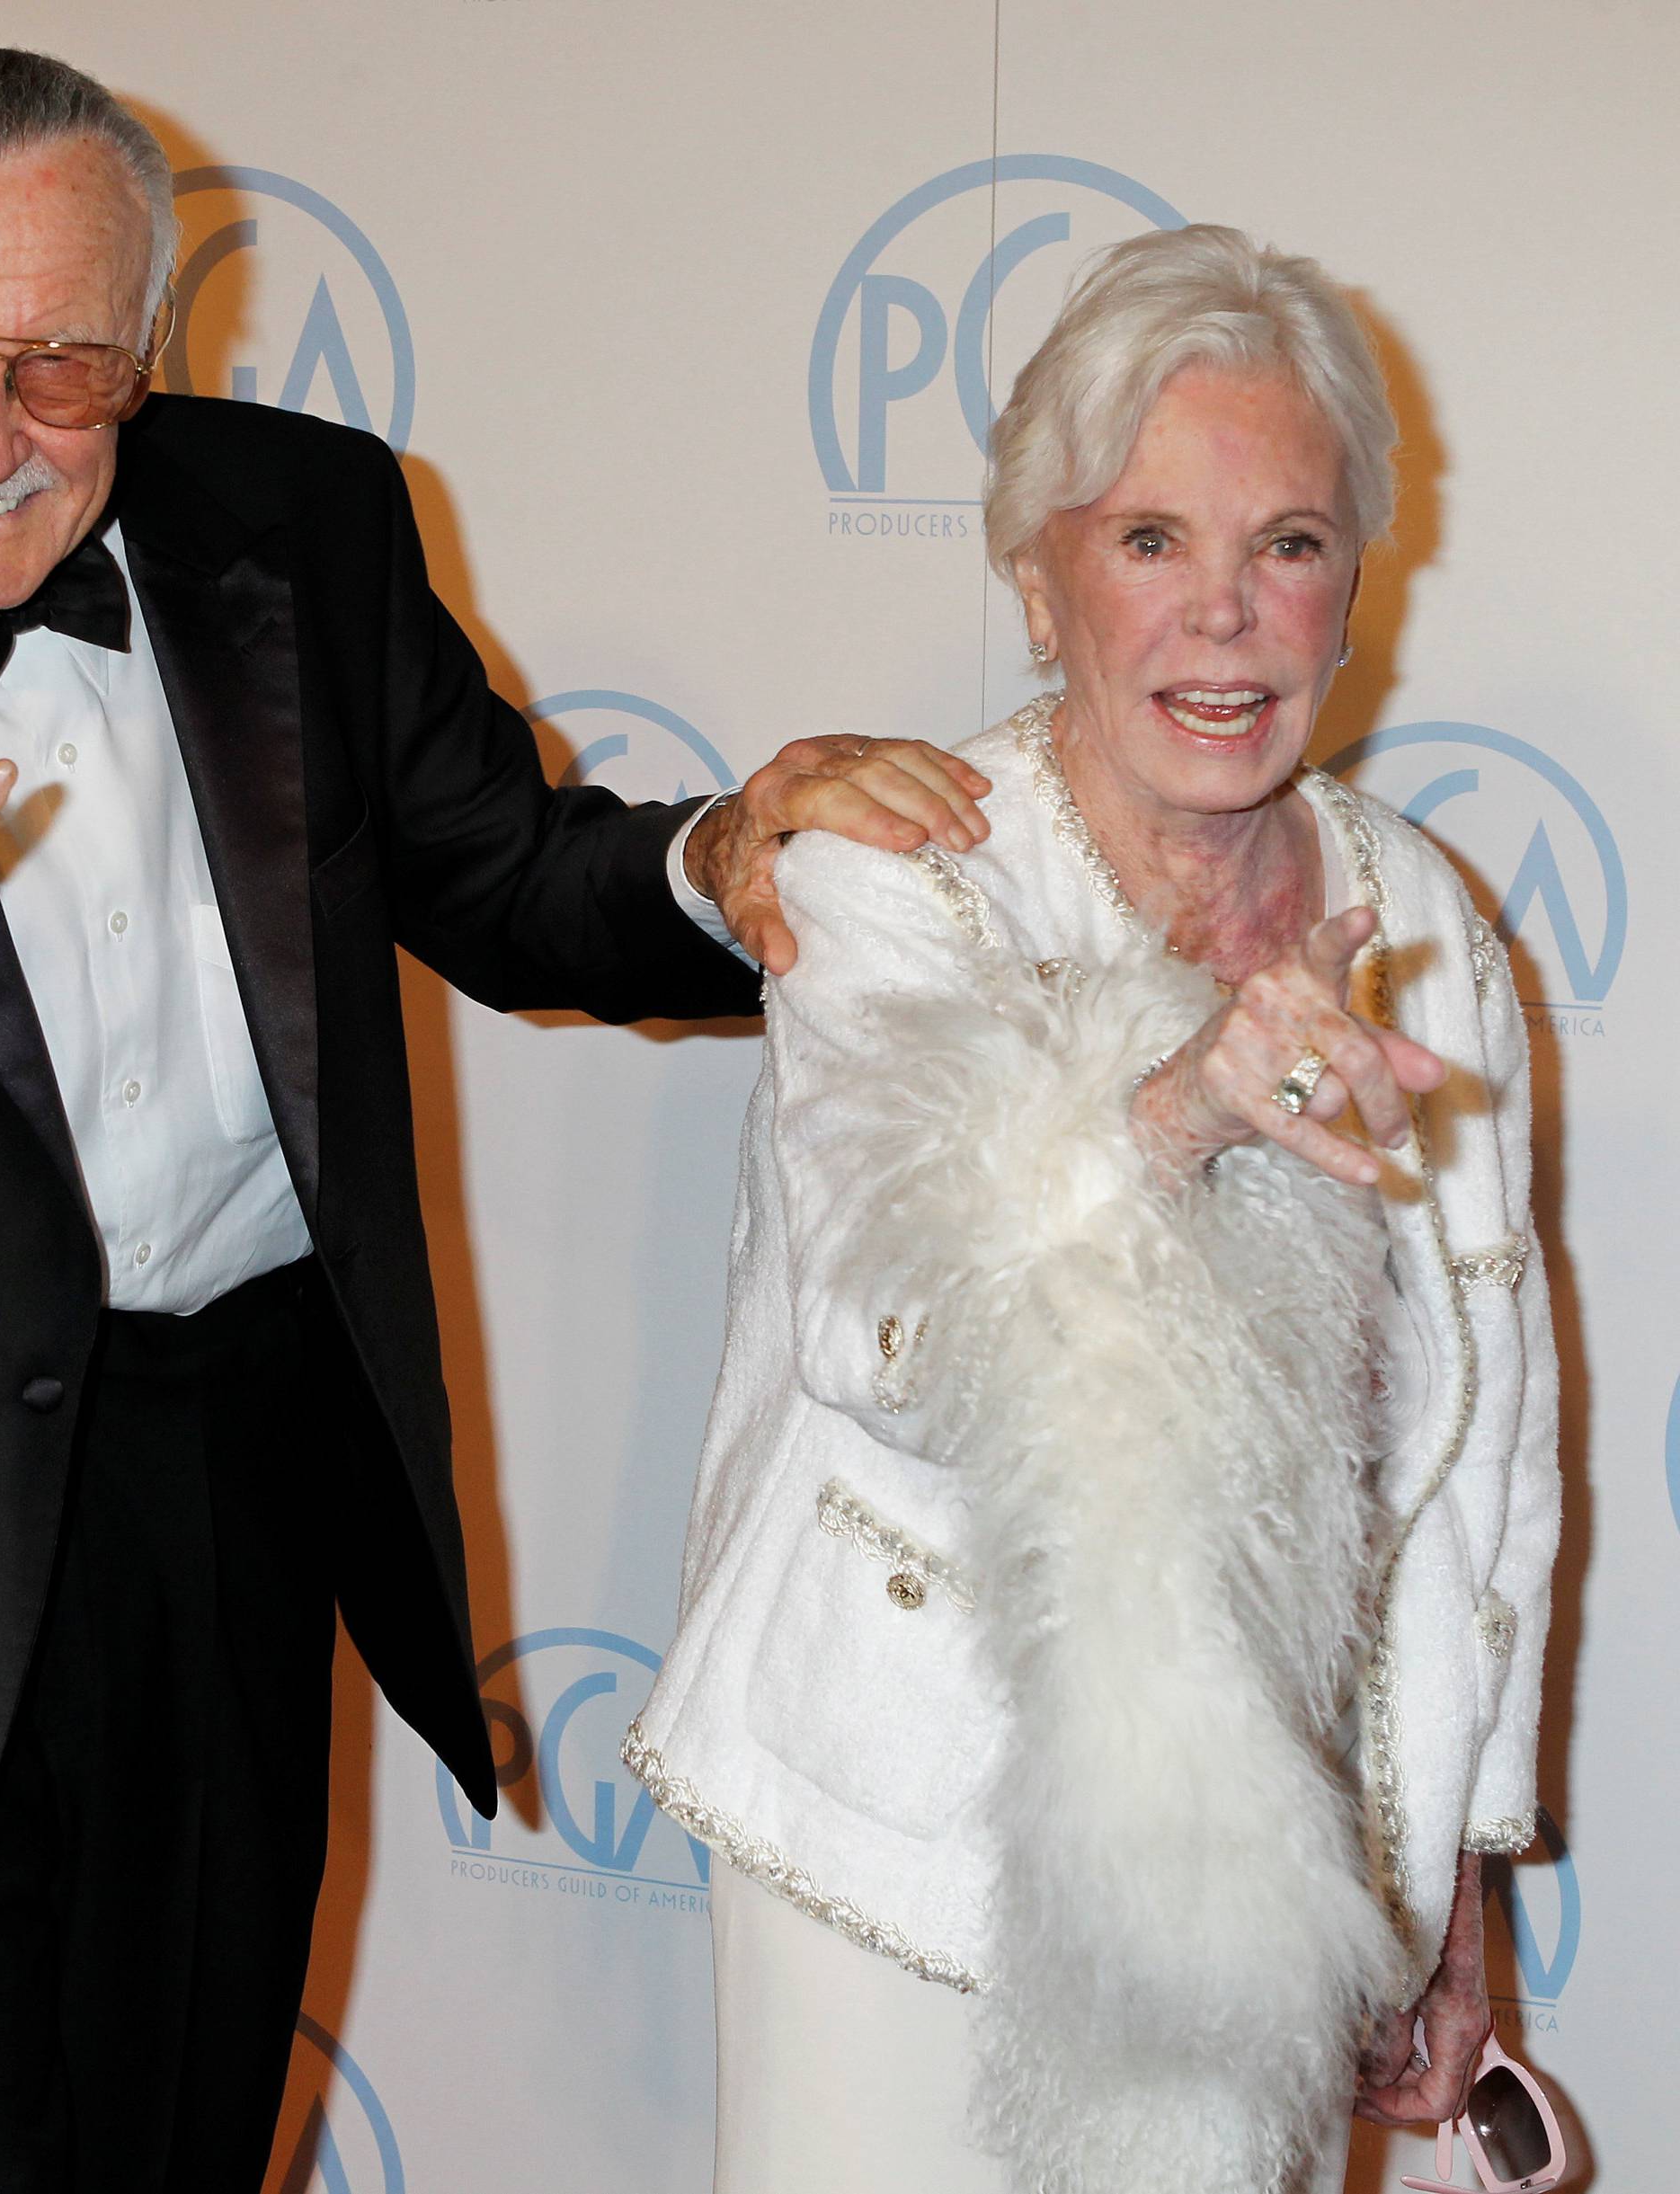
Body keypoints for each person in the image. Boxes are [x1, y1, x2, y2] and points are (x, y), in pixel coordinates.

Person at [0, 43, 991, 2194]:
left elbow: (508, 875)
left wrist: (731, 854)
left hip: (226, 1478)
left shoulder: (297, 522)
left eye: (57, 372)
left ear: (152, 353)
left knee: (175, 2123)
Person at [626, 224, 1560, 2194]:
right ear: (1040, 585)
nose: (1223, 620)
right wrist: (1175, 1114)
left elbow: (1482, 1446)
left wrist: (1441, 1876)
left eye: (1287, 545)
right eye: (1148, 542)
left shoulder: (1431, 929)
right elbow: (883, 1336)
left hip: (1267, 1877)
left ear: (1352, 592)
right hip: (902, 1836)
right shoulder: (903, 872)